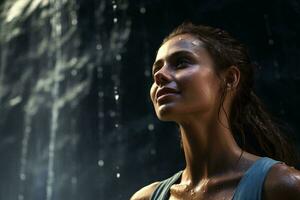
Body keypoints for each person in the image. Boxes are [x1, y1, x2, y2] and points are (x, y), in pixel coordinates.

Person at [131, 23, 300, 200]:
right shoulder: (146, 198)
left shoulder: (282, 186)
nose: (159, 76)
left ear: (230, 79)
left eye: (181, 63)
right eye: (157, 69)